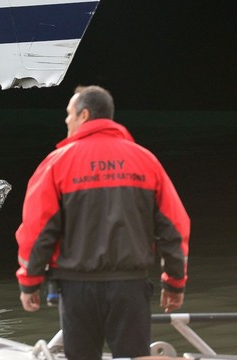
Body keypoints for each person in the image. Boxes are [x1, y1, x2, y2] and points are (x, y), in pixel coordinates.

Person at [15, 85, 190, 360]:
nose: (66, 120)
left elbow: (38, 230)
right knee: (137, 357)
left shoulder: (56, 163)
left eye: (69, 114)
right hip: (130, 287)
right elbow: (174, 229)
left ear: (84, 115)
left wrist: (30, 281)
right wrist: (174, 283)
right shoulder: (146, 161)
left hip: (77, 289)